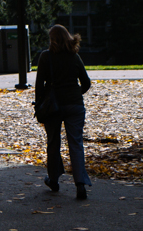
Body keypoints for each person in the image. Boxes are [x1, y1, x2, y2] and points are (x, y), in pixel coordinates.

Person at [35, 24, 93, 200]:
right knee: (75, 143)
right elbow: (86, 83)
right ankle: (80, 184)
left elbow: (39, 85)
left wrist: (39, 106)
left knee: (53, 143)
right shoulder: (74, 57)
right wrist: (75, 94)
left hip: (53, 107)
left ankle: (53, 179)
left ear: (52, 39)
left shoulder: (46, 57)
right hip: (75, 105)